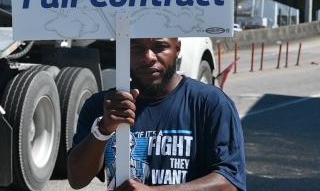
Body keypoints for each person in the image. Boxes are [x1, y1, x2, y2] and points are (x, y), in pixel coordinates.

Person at [67, 38, 246, 191]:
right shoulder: (104, 105)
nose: (148, 57)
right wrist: (103, 130)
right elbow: (77, 179)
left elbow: (229, 182)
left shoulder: (211, 103)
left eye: (160, 47)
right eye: (137, 48)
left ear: (177, 48)